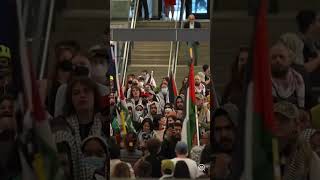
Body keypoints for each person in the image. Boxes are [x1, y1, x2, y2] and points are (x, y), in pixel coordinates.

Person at [273, 101, 320, 180]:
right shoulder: (269, 147)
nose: (277, 123)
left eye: (283, 120)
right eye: (274, 119)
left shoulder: (303, 152)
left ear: (296, 124)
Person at [270, 42, 305, 108]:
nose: (277, 60)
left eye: (281, 57)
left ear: (289, 60)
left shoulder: (298, 78)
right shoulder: (263, 80)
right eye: (274, 57)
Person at [296, 10, 320, 101]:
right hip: (307, 95)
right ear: (311, 26)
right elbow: (301, 69)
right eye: (318, 21)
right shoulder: (297, 44)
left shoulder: (315, 44)